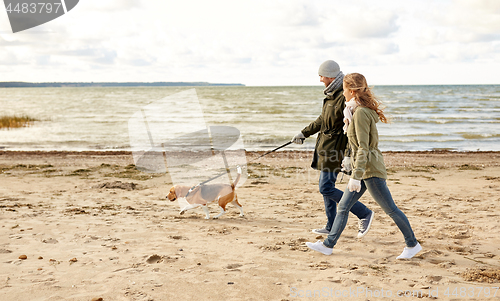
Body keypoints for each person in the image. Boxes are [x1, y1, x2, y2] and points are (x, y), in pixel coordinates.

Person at [306, 73, 422, 259]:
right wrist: (348, 161)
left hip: (370, 171)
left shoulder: (360, 113)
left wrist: (356, 176)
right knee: (343, 207)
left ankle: (412, 244)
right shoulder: (355, 111)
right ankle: (328, 245)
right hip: (363, 169)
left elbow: (364, 148)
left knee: (391, 209)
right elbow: (357, 147)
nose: (342, 93)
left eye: (344, 90)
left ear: (351, 91)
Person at [291, 60, 374, 238]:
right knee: (326, 187)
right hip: (325, 148)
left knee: (326, 188)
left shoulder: (344, 96)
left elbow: (351, 129)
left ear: (329, 76)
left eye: (321, 76)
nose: (320, 79)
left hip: (336, 150)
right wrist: (303, 134)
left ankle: (364, 213)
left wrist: (347, 155)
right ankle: (330, 224)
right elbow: (322, 120)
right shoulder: (330, 95)